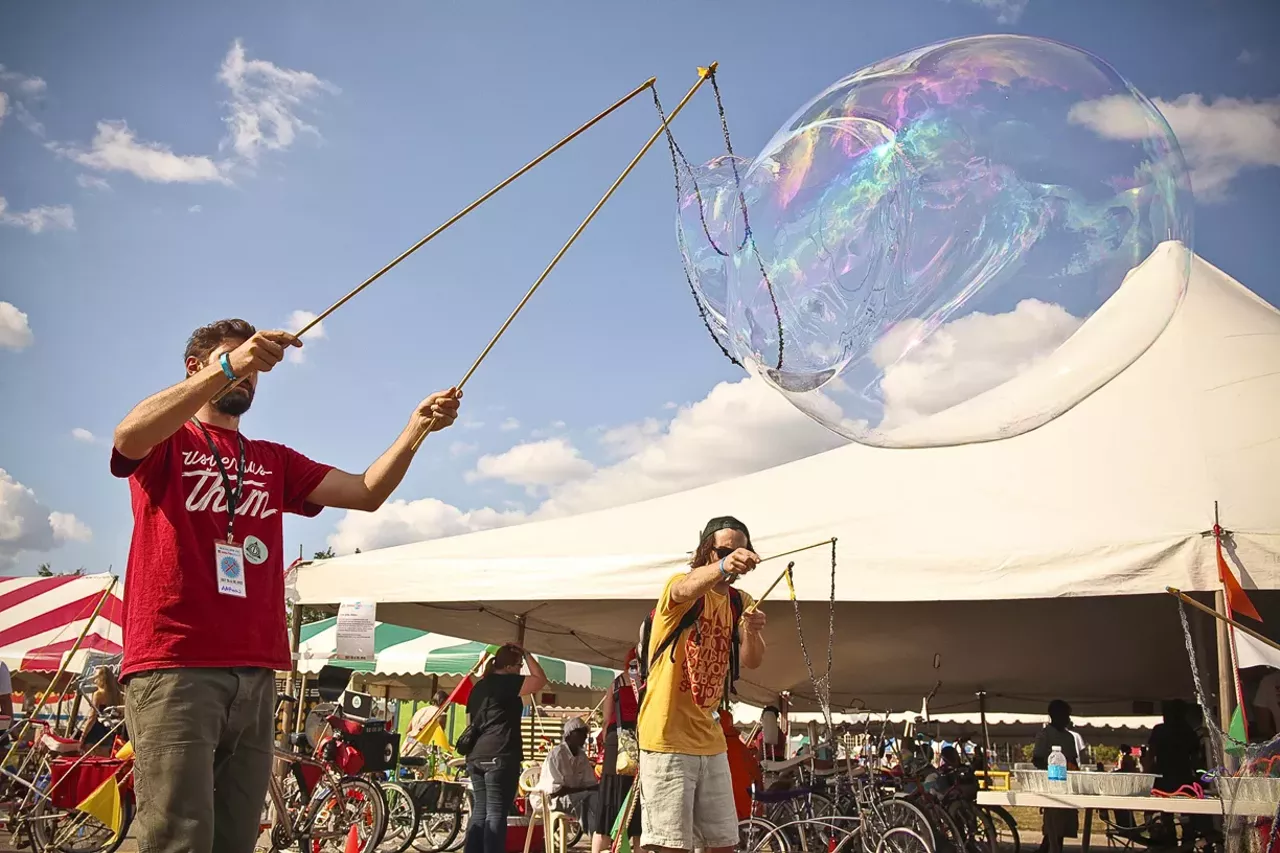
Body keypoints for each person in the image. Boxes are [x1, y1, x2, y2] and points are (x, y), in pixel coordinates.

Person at [110, 319, 461, 853]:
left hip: (254, 668)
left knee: (235, 838)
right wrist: (231, 364)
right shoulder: (168, 441)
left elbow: (366, 491)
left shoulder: (271, 459)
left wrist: (416, 429)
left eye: (254, 370)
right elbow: (127, 437)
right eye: (235, 361)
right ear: (196, 367)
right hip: (175, 662)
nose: (249, 377)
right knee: (177, 837)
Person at [637, 516, 768, 853]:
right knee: (669, 846)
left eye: (741, 549)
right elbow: (685, 587)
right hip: (666, 735)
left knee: (723, 842)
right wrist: (723, 566)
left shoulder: (739, 600)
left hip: (710, 741)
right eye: (724, 550)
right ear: (707, 551)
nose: (734, 556)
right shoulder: (681, 586)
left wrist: (752, 630)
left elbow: (753, 660)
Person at [465, 644, 547, 853]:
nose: (521, 669)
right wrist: (528, 654)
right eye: (519, 666)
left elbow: (470, 719)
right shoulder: (509, 683)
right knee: (496, 812)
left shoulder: (479, 687)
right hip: (500, 753)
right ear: (510, 666)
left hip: (475, 755)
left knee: (480, 811)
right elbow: (540, 679)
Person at [592, 652, 642, 853]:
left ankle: (601, 847)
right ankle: (637, 847)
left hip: (616, 742)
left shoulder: (616, 683)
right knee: (637, 805)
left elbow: (605, 720)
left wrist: (608, 737)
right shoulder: (647, 682)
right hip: (639, 741)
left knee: (608, 802)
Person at [1032, 700, 1081, 853]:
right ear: (1055, 716)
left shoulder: (1070, 737)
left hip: (1067, 786)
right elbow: (1037, 759)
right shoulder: (1044, 735)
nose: (1067, 719)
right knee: (1053, 827)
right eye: (1065, 715)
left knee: (1062, 827)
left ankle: (1048, 849)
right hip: (1052, 785)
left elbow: (1073, 760)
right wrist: (1053, 765)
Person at [534, 717, 600, 824]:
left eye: (585, 733)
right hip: (551, 800)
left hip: (571, 797)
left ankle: (602, 836)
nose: (584, 736)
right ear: (569, 735)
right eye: (580, 732)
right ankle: (597, 837)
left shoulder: (581, 756)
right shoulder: (557, 755)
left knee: (602, 800)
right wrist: (584, 791)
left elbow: (590, 784)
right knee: (592, 800)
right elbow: (556, 791)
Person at [79, 666, 126, 754]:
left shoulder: (98, 694)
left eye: (95, 677)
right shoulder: (117, 694)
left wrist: (83, 736)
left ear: (102, 678)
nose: (94, 680)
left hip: (96, 731)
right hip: (109, 731)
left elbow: (92, 717)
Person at [404, 690, 450, 758]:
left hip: (408, 745)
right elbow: (438, 737)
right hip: (421, 752)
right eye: (448, 705)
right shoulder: (441, 715)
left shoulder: (420, 710)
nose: (448, 708)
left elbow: (408, 730)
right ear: (444, 703)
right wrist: (436, 754)